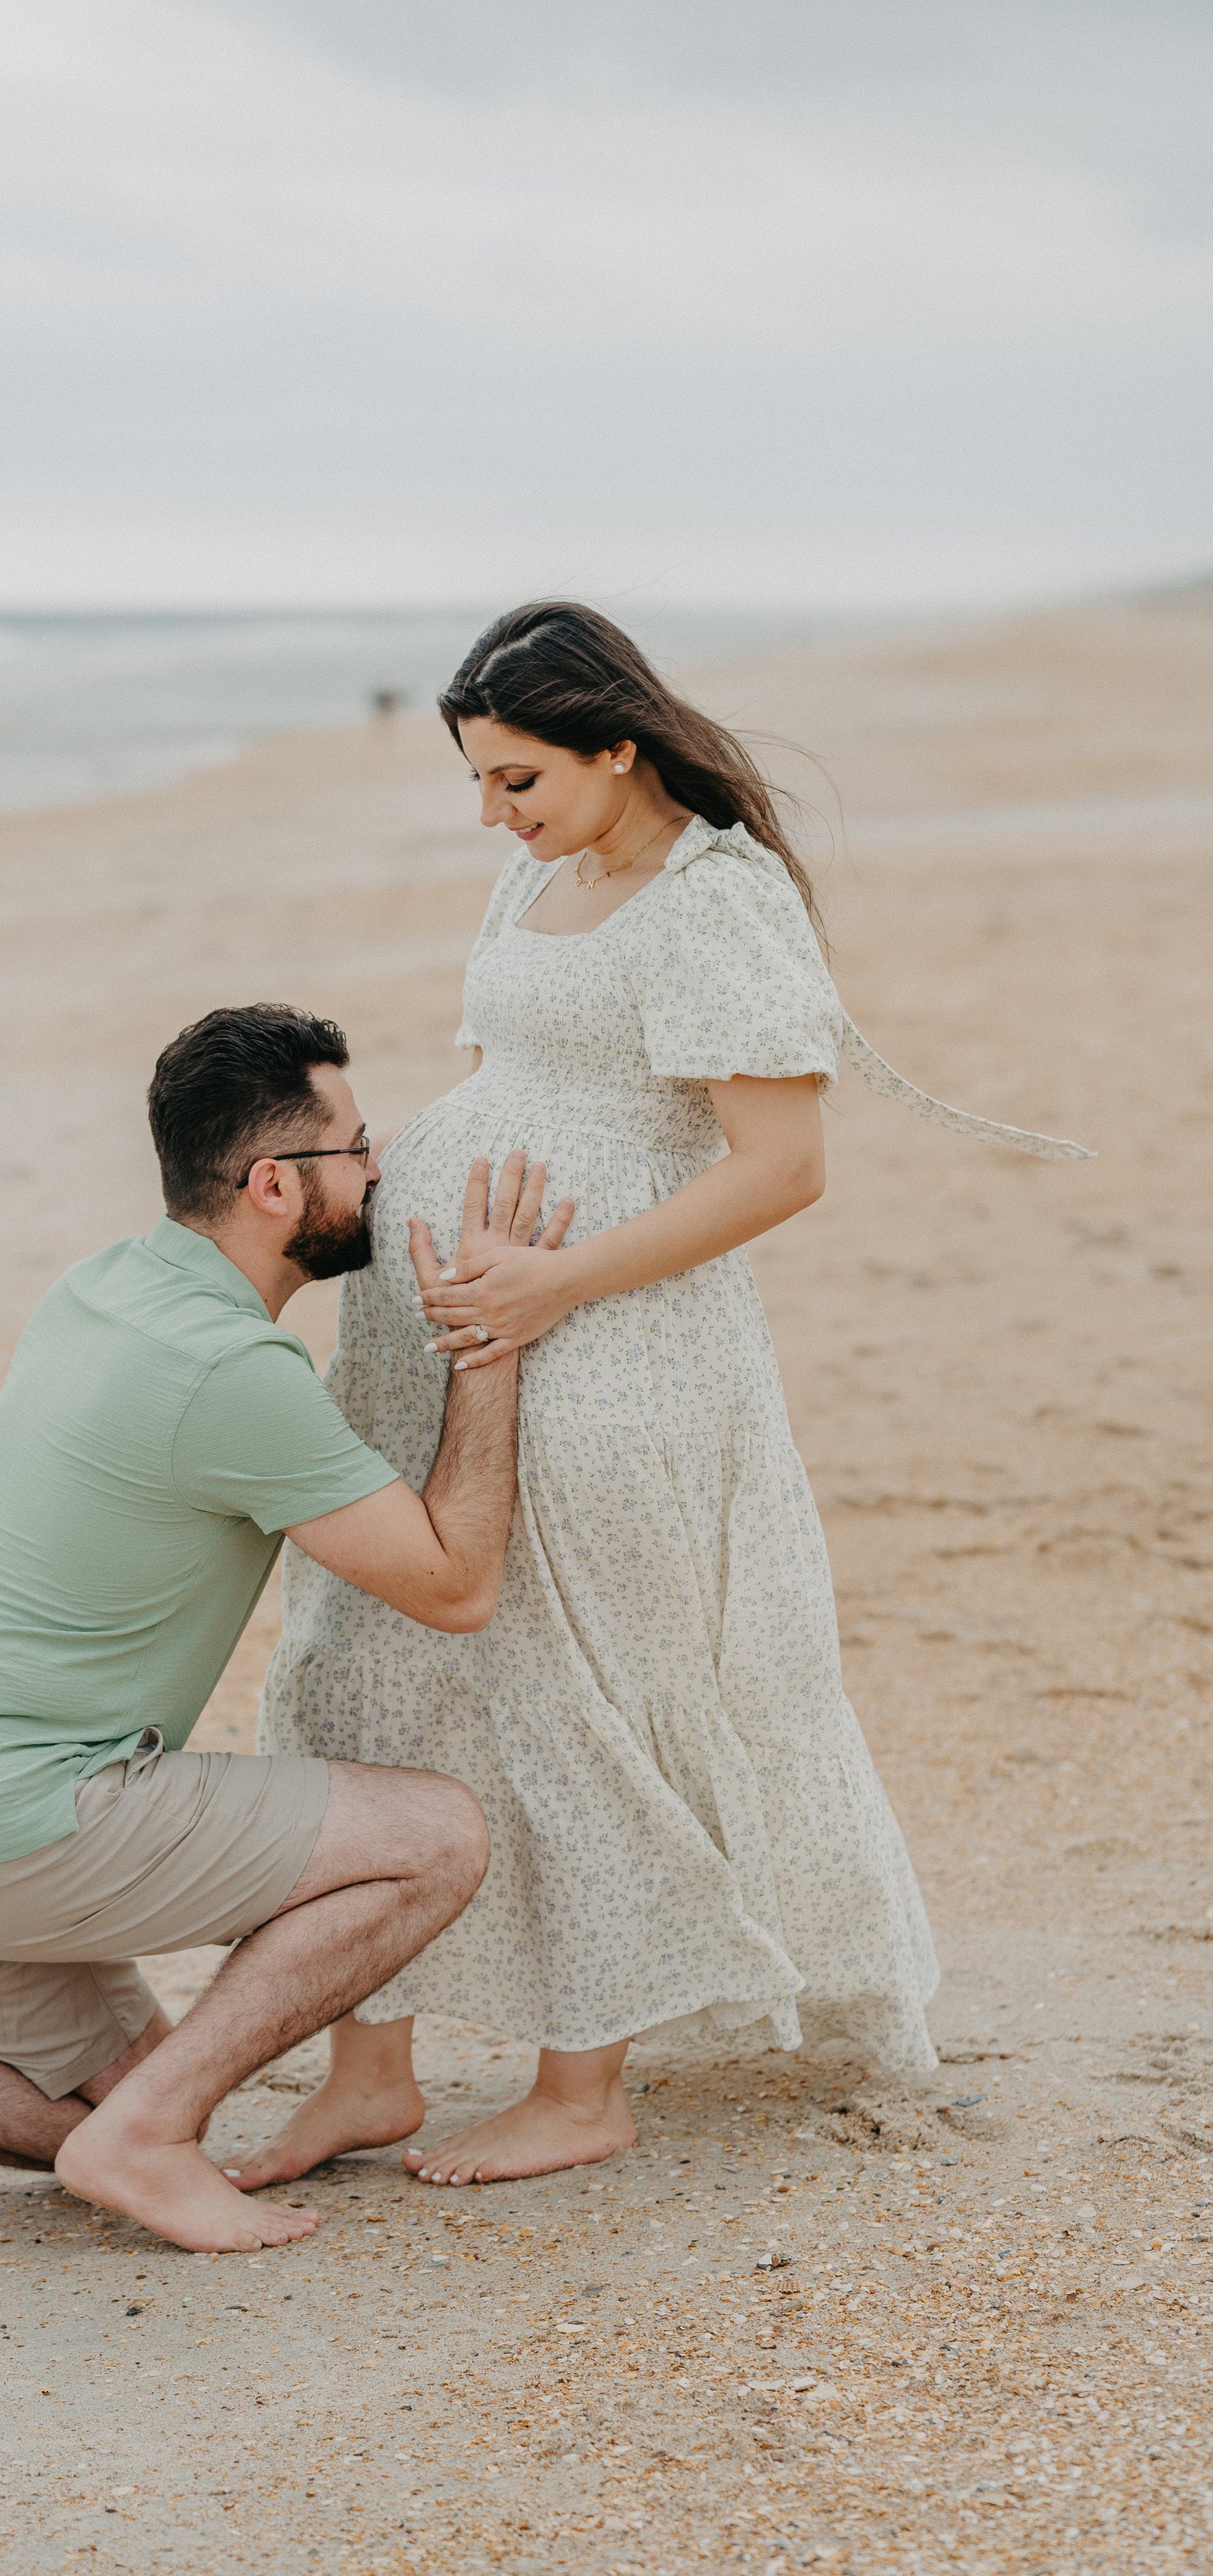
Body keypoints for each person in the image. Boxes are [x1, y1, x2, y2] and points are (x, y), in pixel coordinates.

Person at [242, 600, 1090, 2192]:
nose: (490, 815)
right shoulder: (542, 870)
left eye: (515, 780)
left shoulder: (717, 902)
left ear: (615, 747)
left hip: (611, 1341)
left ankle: (584, 2084)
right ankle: (367, 2068)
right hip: (437, 1327)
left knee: (578, 1684)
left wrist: (550, 1282)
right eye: (480, 784)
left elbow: (783, 1168)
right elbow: (515, 1073)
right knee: (364, 1656)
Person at [0, 1004, 573, 2257]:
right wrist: (491, 1337)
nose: (381, 1172)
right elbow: (455, 1583)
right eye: (358, 1148)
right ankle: (145, 2138)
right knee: (436, 1837)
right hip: (5, 1825)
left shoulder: (105, 1283)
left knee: (124, 2098)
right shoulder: (230, 1375)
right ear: (275, 1185)